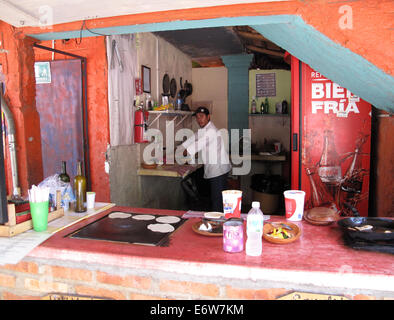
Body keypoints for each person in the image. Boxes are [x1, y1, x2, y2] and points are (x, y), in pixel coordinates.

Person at [182, 106, 231, 212]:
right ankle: (220, 221)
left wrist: (184, 151)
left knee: (217, 200)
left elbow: (198, 144)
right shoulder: (205, 130)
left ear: (208, 117)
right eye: (197, 117)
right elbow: (195, 137)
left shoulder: (211, 131)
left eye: (202, 116)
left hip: (218, 170)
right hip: (217, 169)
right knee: (219, 199)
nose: (199, 119)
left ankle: (218, 224)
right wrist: (182, 146)